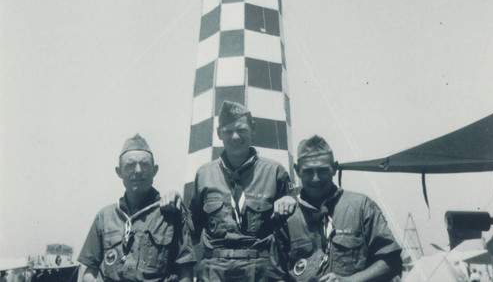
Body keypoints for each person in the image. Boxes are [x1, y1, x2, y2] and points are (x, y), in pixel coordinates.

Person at [188, 100, 297, 282]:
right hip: (214, 271)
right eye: (228, 131)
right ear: (218, 133)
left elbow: (295, 228)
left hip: (260, 270)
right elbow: (191, 230)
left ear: (253, 129)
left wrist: (292, 200)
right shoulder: (204, 174)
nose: (235, 137)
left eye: (242, 130)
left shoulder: (275, 172)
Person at [268, 135, 402, 282]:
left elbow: (392, 262)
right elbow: (275, 274)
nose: (316, 178)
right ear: (297, 170)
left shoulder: (361, 207)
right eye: (308, 171)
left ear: (335, 168)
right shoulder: (288, 215)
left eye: (323, 170)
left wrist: (349, 281)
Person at [78, 134, 196, 282]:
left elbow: (186, 272)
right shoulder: (105, 217)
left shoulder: (171, 213)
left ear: (155, 170)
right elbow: (89, 270)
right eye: (130, 165)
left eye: (145, 164)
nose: (138, 170)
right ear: (119, 172)